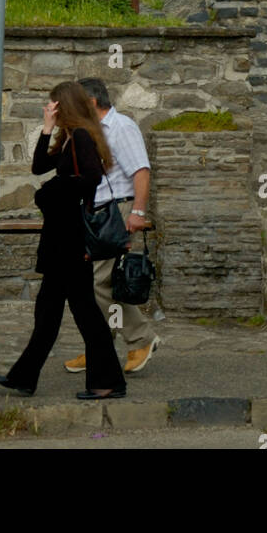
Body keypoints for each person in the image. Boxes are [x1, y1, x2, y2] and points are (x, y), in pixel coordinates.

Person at [0, 82, 126, 400]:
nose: (50, 109)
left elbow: (90, 178)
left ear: (65, 104)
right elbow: (39, 167)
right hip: (60, 240)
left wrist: (48, 194)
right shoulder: (69, 137)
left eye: (54, 105)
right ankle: (24, 377)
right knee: (48, 312)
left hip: (70, 241)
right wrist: (47, 128)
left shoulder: (80, 136)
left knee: (85, 313)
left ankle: (107, 382)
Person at [63, 79, 162, 376]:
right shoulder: (90, 132)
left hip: (116, 211)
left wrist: (138, 212)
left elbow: (141, 171)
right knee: (101, 282)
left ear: (92, 103)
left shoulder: (122, 127)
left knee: (94, 282)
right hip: (97, 213)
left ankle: (140, 338)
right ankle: (99, 344)